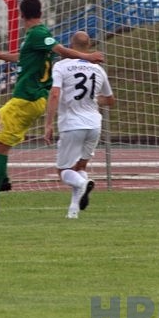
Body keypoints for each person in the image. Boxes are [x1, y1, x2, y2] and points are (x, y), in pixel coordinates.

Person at [0, 0, 105, 219]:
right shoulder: (34, 37)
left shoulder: (40, 33)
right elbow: (24, 57)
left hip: (27, 100)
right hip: (22, 98)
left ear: (21, 14)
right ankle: (1, 179)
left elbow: (61, 50)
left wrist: (87, 57)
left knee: (1, 149)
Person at [44, 31, 115, 218]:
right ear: (89, 46)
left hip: (72, 124)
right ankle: (73, 210)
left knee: (63, 171)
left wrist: (48, 124)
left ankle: (83, 184)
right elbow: (109, 100)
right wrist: (90, 100)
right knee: (80, 168)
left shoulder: (61, 66)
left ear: (70, 44)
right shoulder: (98, 69)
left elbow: (54, 94)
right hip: (94, 124)